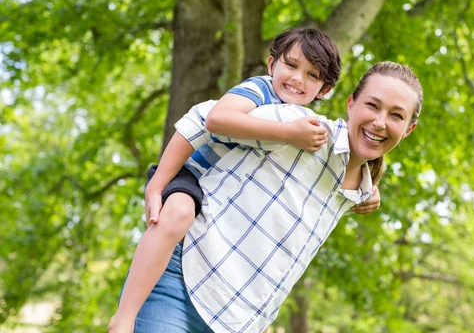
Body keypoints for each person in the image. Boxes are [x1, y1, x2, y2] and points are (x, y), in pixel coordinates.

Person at [116, 61, 423, 333]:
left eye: (396, 116)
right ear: (351, 104)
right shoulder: (297, 126)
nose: (380, 122)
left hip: (239, 321)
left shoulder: (357, 192)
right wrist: (157, 184)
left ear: (408, 130)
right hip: (183, 285)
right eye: (372, 105)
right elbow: (208, 118)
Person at [109, 27, 348, 332]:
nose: (298, 78)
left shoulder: (300, 119)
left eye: (312, 75)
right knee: (179, 214)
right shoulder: (260, 90)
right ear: (272, 64)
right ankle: (124, 316)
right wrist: (156, 185)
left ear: (325, 90)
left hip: (217, 203)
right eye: (291, 65)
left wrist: (368, 192)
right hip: (193, 174)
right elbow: (213, 120)